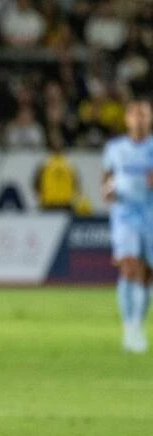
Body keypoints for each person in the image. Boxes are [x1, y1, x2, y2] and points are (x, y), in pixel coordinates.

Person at [102, 98, 153, 353]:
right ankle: (129, 329)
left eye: (145, 115)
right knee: (129, 266)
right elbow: (107, 178)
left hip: (151, 213)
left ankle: (138, 325)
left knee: (147, 275)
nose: (140, 119)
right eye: (136, 115)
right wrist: (107, 191)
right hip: (124, 213)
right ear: (127, 119)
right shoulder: (115, 148)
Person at [34, 133, 80, 212]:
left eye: (59, 142)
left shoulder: (69, 164)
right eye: (55, 142)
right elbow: (36, 183)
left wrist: (74, 198)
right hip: (49, 204)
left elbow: (76, 183)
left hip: (66, 203)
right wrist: (41, 198)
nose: (57, 144)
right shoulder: (45, 163)